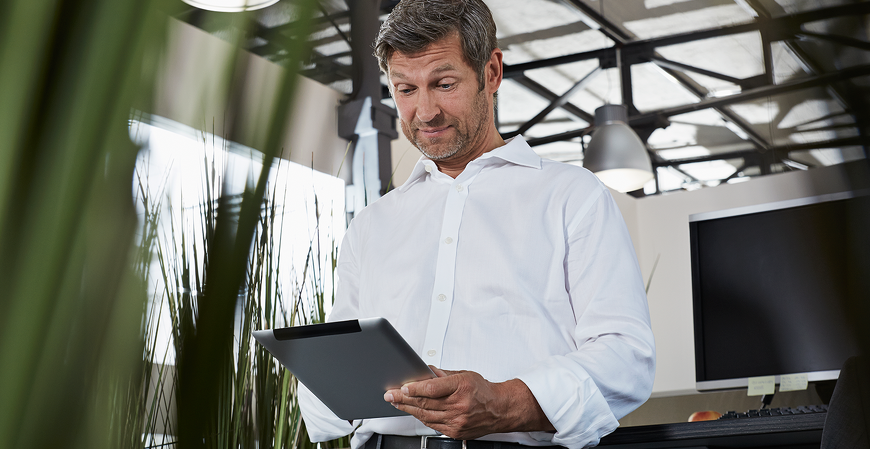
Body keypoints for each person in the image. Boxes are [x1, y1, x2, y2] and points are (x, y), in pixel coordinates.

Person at [298, 1, 655, 448]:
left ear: (491, 72)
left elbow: (627, 355)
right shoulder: (371, 224)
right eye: (405, 89)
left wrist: (507, 401)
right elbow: (332, 377)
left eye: (444, 84)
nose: (425, 111)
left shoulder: (572, 197)